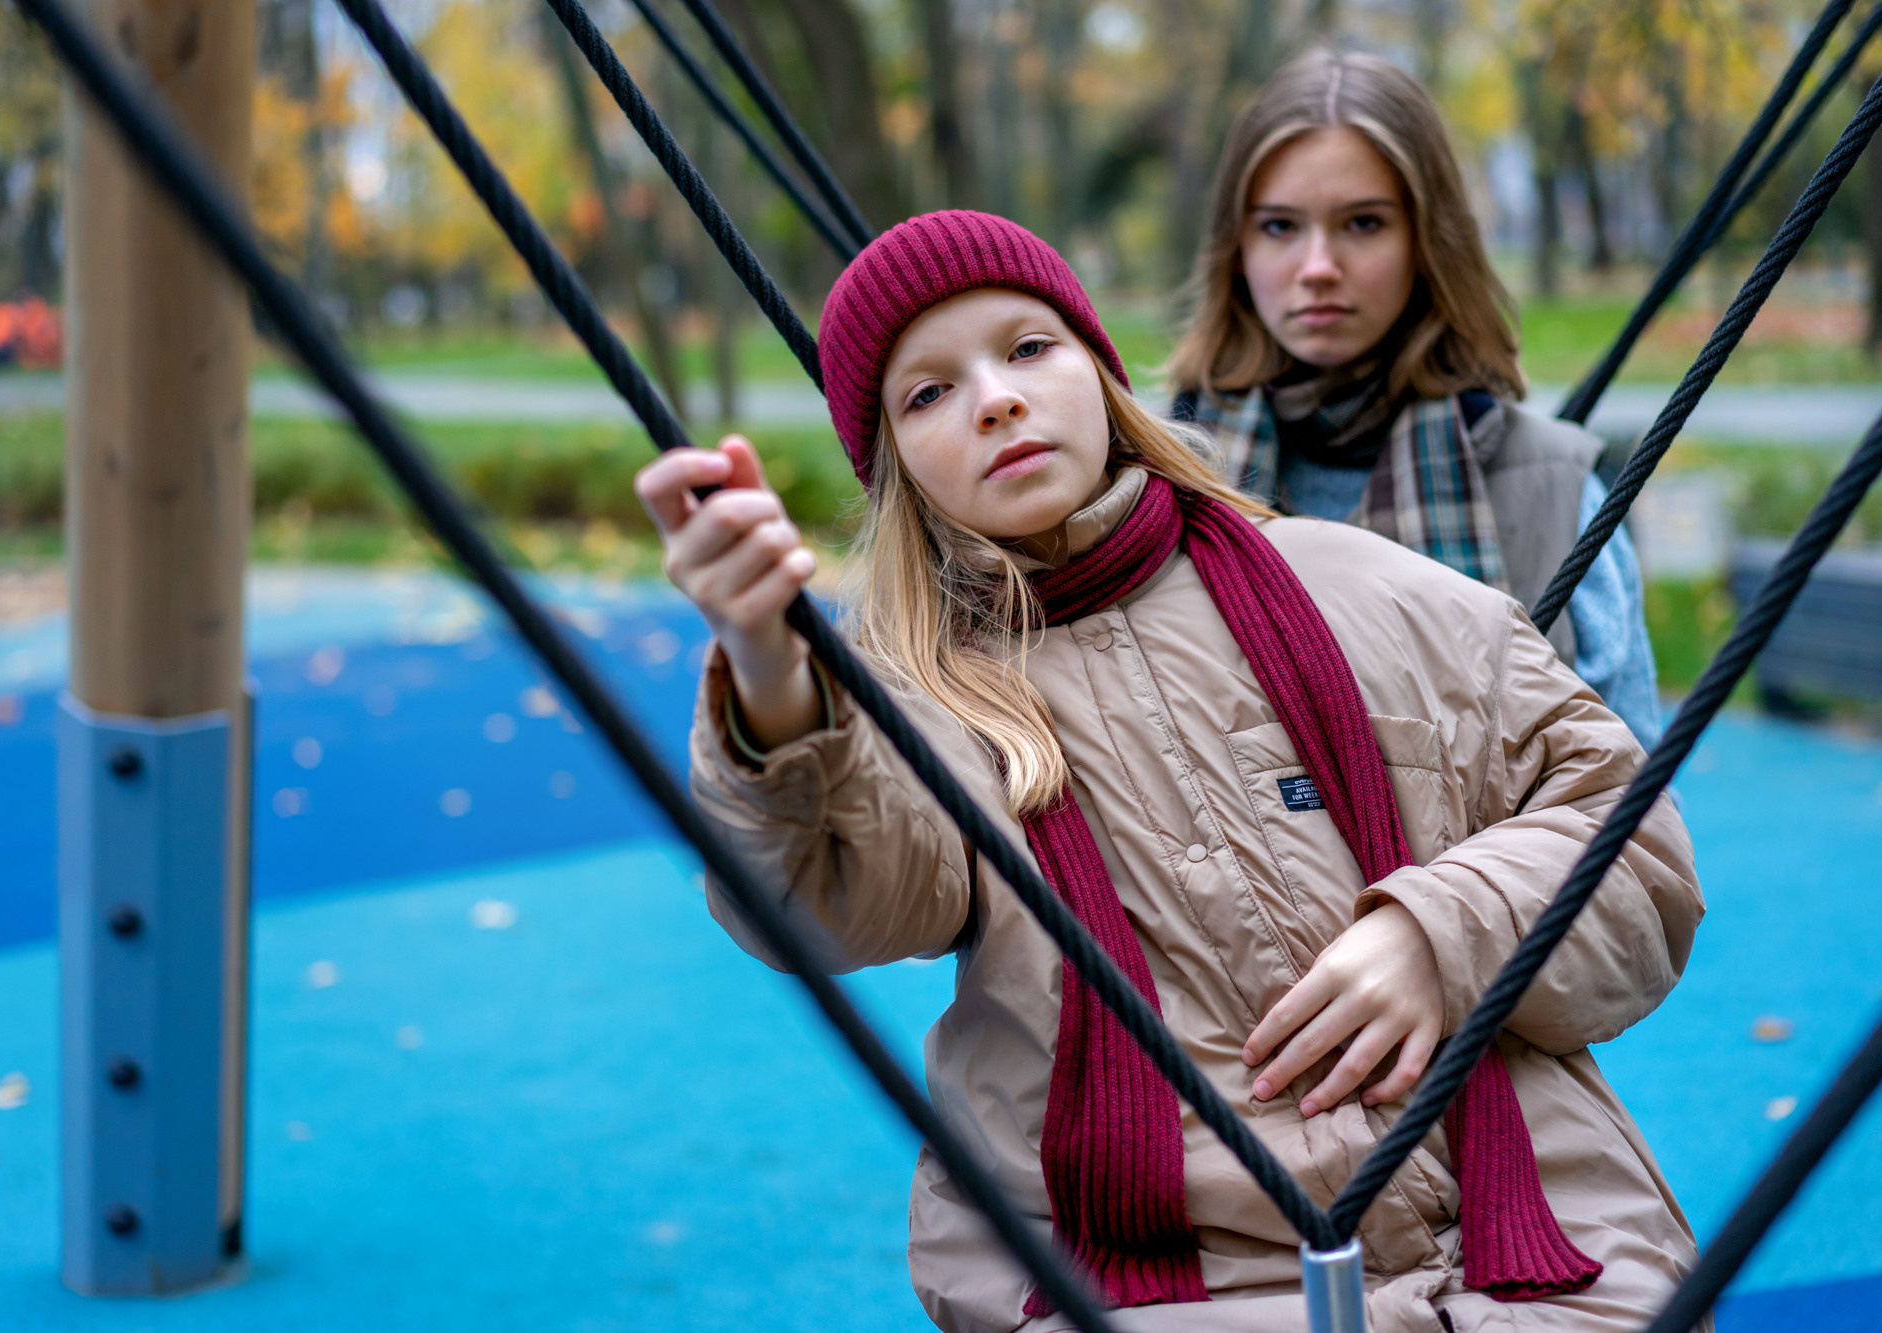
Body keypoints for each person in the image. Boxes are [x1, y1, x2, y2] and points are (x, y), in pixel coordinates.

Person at [638, 210, 1703, 1332]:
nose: (994, 399)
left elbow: (1631, 837)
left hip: (1523, 1226)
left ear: (1099, 371)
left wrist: (1438, 934)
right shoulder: (916, 708)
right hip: (1166, 1276)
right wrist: (770, 669)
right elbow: (825, 898)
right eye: (928, 393)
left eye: (1028, 347)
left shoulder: (1370, 591)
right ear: (894, 462)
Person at [1171, 53, 1662, 749]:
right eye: (1280, 226)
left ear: (1427, 242)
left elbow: (1631, 792)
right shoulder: (1155, 480)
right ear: (1237, 248)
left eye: (1363, 223)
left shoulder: (1552, 495)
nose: (1318, 267)